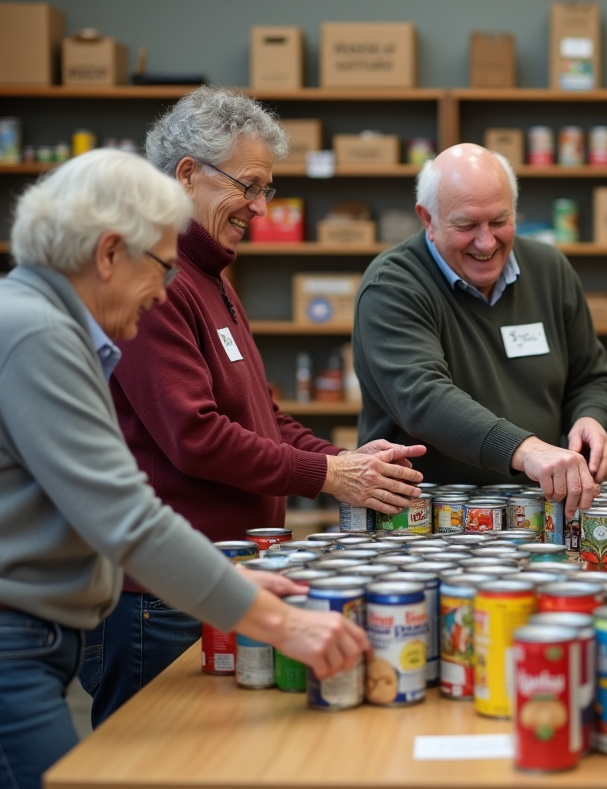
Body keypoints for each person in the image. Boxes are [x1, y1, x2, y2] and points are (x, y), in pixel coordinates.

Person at [0, 149, 369, 789]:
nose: (163, 291)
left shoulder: (45, 325)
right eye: (160, 267)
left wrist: (230, 584)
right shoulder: (34, 333)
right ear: (108, 253)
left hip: (10, 634)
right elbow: (125, 518)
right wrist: (278, 623)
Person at [79, 87, 423, 727]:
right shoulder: (159, 280)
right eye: (251, 186)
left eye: (269, 190)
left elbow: (265, 420)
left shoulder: (211, 278)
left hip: (220, 577)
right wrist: (326, 477)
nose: (262, 208)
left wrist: (345, 461)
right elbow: (196, 435)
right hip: (160, 598)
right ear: (187, 175)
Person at [352, 144, 607, 516]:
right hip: (421, 516)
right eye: (466, 225)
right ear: (427, 219)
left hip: (539, 510)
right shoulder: (392, 286)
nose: (486, 242)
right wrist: (525, 450)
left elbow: (590, 376)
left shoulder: (549, 268)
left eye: (499, 221)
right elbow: (423, 399)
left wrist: (591, 416)